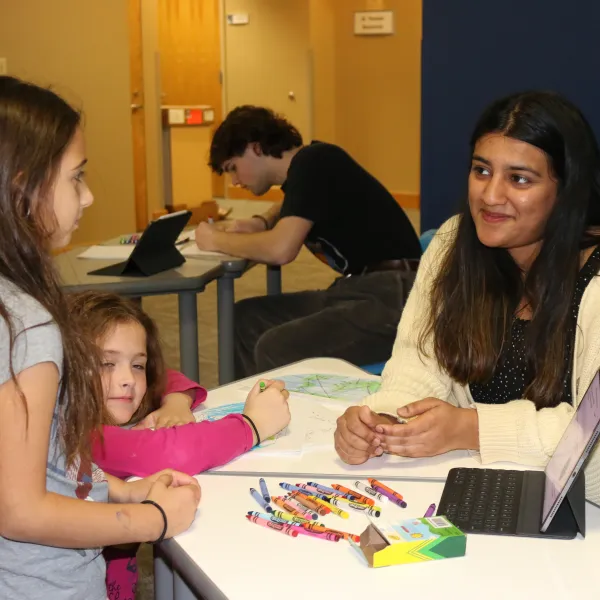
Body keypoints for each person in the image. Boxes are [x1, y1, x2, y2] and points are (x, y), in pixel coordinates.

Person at [334, 90, 600, 504]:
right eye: (481, 170)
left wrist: (471, 427)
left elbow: (594, 451)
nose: (490, 196)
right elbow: (417, 365)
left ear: (567, 191)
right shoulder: (452, 243)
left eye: (519, 179)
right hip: (478, 491)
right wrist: (385, 422)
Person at [0, 76, 200, 600]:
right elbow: (21, 509)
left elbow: (46, 459)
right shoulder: (29, 328)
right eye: (76, 178)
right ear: (24, 187)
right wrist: (151, 519)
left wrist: (123, 491)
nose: (89, 196)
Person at [67, 290, 292, 600]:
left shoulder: (107, 399)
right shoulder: (81, 433)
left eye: (137, 365)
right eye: (107, 363)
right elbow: (170, 451)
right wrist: (253, 425)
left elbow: (167, 376)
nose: (127, 379)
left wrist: (176, 402)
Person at [194, 105, 422, 378]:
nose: (235, 181)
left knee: (275, 347)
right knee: (244, 319)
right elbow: (292, 203)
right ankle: (249, 412)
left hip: (393, 300)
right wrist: (262, 222)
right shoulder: (310, 167)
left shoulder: (314, 162)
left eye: (233, 168)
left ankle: (275, 417)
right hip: (362, 290)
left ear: (255, 148)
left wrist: (215, 239)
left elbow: (280, 250)